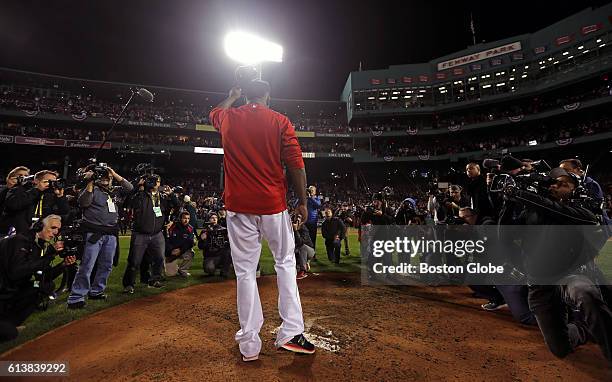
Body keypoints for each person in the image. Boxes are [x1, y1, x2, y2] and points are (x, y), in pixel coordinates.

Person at [209, 79, 315, 362]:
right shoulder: (280, 120)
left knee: (245, 272)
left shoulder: (229, 117)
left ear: (245, 95)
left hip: (238, 206)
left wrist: (231, 96)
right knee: (285, 263)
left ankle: (249, 344)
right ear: (268, 95)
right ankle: (291, 332)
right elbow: (296, 164)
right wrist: (303, 202)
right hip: (272, 205)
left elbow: (213, 113)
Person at [0, 215, 76, 341]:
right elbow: (16, 272)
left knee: (42, 286)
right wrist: (49, 255)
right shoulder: (20, 241)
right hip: (4, 291)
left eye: (58, 229)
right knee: (10, 334)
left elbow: (42, 276)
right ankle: (8, 325)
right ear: (40, 226)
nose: (55, 232)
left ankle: (11, 322)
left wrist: (62, 265)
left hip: (11, 291)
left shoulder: (37, 245)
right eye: (53, 228)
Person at [68, 166, 132, 308]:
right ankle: (76, 297)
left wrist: (114, 173)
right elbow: (83, 203)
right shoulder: (92, 190)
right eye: (103, 176)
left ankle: (97, 291)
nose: (106, 178)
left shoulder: (114, 191)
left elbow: (129, 188)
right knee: (87, 265)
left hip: (110, 233)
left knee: (107, 265)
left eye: (108, 177)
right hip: (93, 233)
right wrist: (90, 181)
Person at [198, 213, 231, 278]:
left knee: (229, 251)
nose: (214, 219)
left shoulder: (223, 230)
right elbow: (200, 246)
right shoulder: (205, 231)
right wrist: (202, 240)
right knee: (209, 269)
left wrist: (228, 238)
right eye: (212, 218)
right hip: (210, 256)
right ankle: (215, 268)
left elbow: (229, 244)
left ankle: (224, 270)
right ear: (208, 220)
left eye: (215, 217)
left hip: (221, 255)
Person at [0, 166, 30, 235]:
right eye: (20, 176)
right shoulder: (3, 189)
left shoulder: (28, 192)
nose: (23, 178)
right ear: (11, 178)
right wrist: (9, 187)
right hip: (4, 229)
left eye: (26, 176)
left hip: (20, 229)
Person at [165, 211, 195, 277]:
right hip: (171, 252)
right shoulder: (172, 227)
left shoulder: (190, 228)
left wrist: (180, 250)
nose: (186, 220)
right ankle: (173, 266)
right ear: (180, 218)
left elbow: (190, 243)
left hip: (182, 251)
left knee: (191, 253)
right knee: (170, 274)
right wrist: (170, 251)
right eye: (184, 218)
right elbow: (166, 240)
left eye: (188, 218)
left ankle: (183, 270)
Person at [292, 213, 314, 279]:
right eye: (296, 219)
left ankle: (303, 271)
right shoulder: (291, 229)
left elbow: (301, 243)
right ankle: (301, 266)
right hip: (298, 251)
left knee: (302, 247)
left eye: (299, 219)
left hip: (309, 251)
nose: (297, 220)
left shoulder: (304, 229)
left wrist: (296, 231)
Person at [305, 186, 321, 255]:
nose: (311, 191)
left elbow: (318, 205)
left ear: (315, 191)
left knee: (312, 238)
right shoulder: (305, 198)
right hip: (305, 221)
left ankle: (312, 254)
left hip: (313, 222)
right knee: (305, 238)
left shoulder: (317, 198)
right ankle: (305, 254)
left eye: (312, 190)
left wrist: (310, 198)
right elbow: (296, 204)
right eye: (310, 190)